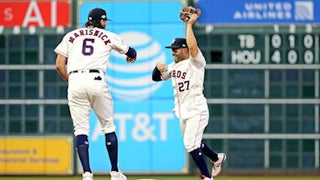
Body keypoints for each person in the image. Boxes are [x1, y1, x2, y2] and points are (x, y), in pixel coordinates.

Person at [54, 7, 137, 180]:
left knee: (81, 130)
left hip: (75, 80)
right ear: (101, 21)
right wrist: (131, 56)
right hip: (96, 80)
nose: (105, 24)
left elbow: (59, 65)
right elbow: (131, 52)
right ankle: (114, 172)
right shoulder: (108, 35)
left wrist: (72, 82)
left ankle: (87, 173)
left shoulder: (71, 35)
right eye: (105, 21)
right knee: (108, 126)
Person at [151, 7, 226, 180]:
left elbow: (193, 46)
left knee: (190, 144)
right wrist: (157, 68)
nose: (173, 51)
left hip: (196, 109)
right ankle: (216, 158)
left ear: (184, 49)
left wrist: (189, 25)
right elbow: (156, 78)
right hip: (182, 112)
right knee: (195, 143)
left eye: (176, 48)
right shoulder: (174, 66)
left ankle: (206, 177)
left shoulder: (196, 62)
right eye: (172, 49)